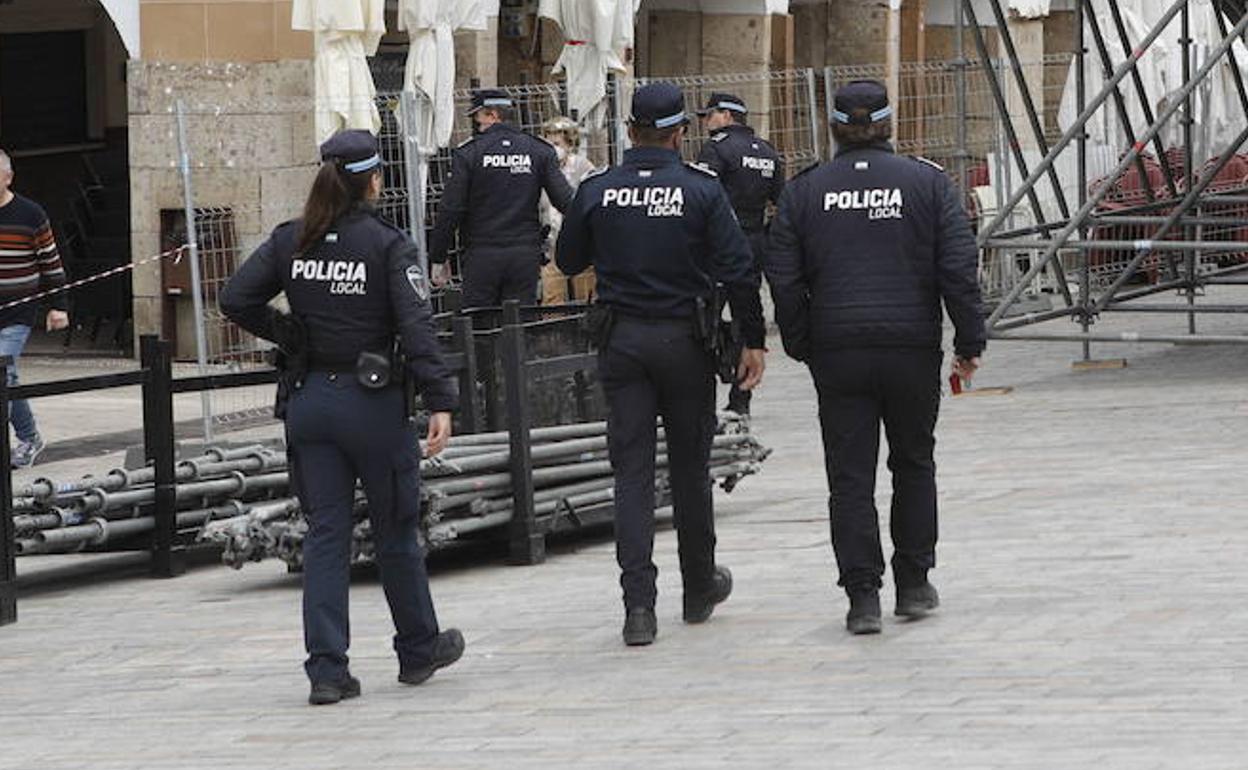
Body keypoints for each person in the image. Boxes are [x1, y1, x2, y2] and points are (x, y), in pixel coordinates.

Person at [219, 130, 465, 705]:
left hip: (310, 402)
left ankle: (327, 670)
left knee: (325, 535)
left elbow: (235, 298)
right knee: (396, 529)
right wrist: (442, 399)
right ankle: (417, 648)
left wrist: (289, 334)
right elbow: (416, 329)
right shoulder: (387, 245)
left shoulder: (291, 241)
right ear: (373, 179)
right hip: (372, 405)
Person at [766, 80, 986, 635]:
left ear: (834, 126)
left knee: (849, 476)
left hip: (838, 349)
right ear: (890, 122)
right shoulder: (927, 184)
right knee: (914, 462)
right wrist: (968, 341)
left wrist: (800, 342)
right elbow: (958, 269)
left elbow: (784, 279)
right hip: (909, 346)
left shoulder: (804, 191)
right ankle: (913, 582)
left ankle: (862, 595)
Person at [556, 83, 767, 647]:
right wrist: (752, 338)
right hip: (684, 341)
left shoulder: (599, 188)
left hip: (622, 342)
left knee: (631, 473)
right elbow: (739, 267)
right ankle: (698, 586)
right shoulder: (701, 190)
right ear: (680, 133)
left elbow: (568, 258)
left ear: (629, 131)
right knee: (690, 467)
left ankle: (638, 608)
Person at [429, 89, 574, 309]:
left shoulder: (469, 153)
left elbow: (451, 209)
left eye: (478, 121)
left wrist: (439, 255)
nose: (477, 127)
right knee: (521, 328)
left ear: (493, 115)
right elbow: (566, 201)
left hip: (481, 255)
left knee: (480, 329)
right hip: (524, 255)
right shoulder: (538, 151)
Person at [696, 94, 784, 416]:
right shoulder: (768, 152)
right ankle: (741, 398)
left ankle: (703, 391)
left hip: (719, 245)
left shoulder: (717, 148)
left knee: (706, 318)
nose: (705, 122)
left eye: (710, 115)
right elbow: (783, 203)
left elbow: (704, 193)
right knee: (748, 316)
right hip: (754, 241)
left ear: (728, 116)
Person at [0, 148, 70, 469]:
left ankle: (27, 438)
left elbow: (50, 263)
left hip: (18, 313)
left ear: (8, 177)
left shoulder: (31, 214)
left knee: (4, 372)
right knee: (6, 379)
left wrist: (59, 306)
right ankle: (30, 436)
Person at [539, 115, 598, 305]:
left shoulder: (583, 166)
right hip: (551, 241)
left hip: (579, 239)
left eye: (557, 143)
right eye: (548, 143)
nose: (553, 148)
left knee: (586, 293)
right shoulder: (542, 168)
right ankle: (552, 333)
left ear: (570, 144)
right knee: (552, 296)